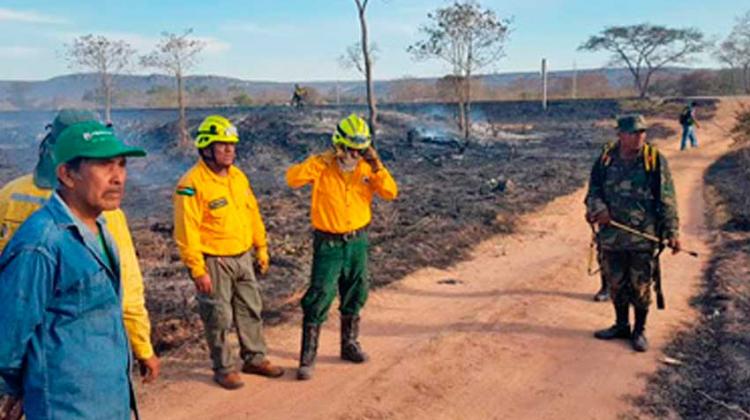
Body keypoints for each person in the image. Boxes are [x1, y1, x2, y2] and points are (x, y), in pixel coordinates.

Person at [0, 109, 160, 384]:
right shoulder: (100, 211)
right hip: (72, 366)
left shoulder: (10, 194)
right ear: (68, 170)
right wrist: (142, 345)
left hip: (22, 347)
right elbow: (127, 284)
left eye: (121, 164)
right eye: (102, 163)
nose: (118, 177)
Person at [173, 115, 283, 390]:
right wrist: (197, 269)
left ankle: (255, 358)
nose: (230, 151)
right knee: (218, 316)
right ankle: (223, 367)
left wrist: (262, 247)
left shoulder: (238, 177)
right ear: (206, 149)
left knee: (250, 309)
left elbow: (252, 213)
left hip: (243, 256)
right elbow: (186, 231)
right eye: (223, 146)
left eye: (232, 146)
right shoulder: (191, 184)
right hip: (215, 261)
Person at [286, 113, 398, 380]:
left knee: (356, 290)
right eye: (350, 149)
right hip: (329, 243)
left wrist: (377, 165)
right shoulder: (322, 167)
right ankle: (308, 356)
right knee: (320, 294)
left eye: (360, 150)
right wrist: (320, 161)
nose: (354, 155)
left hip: (357, 240)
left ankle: (349, 344)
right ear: (339, 145)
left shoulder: (367, 168)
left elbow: (390, 192)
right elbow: (293, 179)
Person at [585, 114, 680, 352]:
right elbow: (593, 191)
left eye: (642, 132)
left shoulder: (654, 160)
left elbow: (667, 199)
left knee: (640, 285)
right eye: (633, 132)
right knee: (616, 283)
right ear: (620, 134)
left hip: (643, 236)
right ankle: (620, 324)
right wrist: (598, 209)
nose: (639, 137)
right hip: (611, 235)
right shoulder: (606, 158)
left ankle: (639, 330)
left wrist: (672, 231)